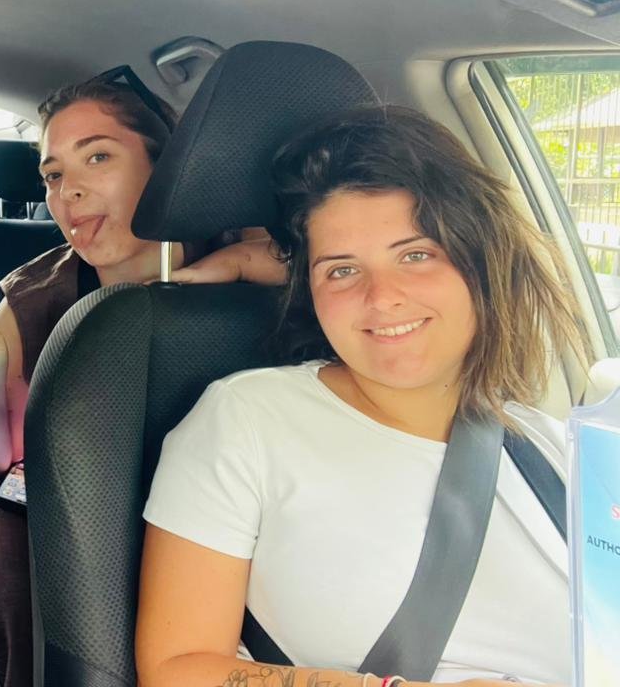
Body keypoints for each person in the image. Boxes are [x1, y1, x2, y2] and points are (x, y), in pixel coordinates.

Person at [135, 105, 584, 687]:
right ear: (311, 289)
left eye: (416, 255)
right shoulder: (246, 422)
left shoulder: (554, 447)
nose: (382, 297)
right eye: (342, 270)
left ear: (480, 262)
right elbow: (176, 668)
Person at [0, 73, 280, 687]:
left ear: (166, 168)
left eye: (98, 157)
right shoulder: (35, 293)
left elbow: (343, 274)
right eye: (53, 174)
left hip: (222, 510)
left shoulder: (247, 254)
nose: (69, 191)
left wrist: (248, 263)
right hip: (49, 507)